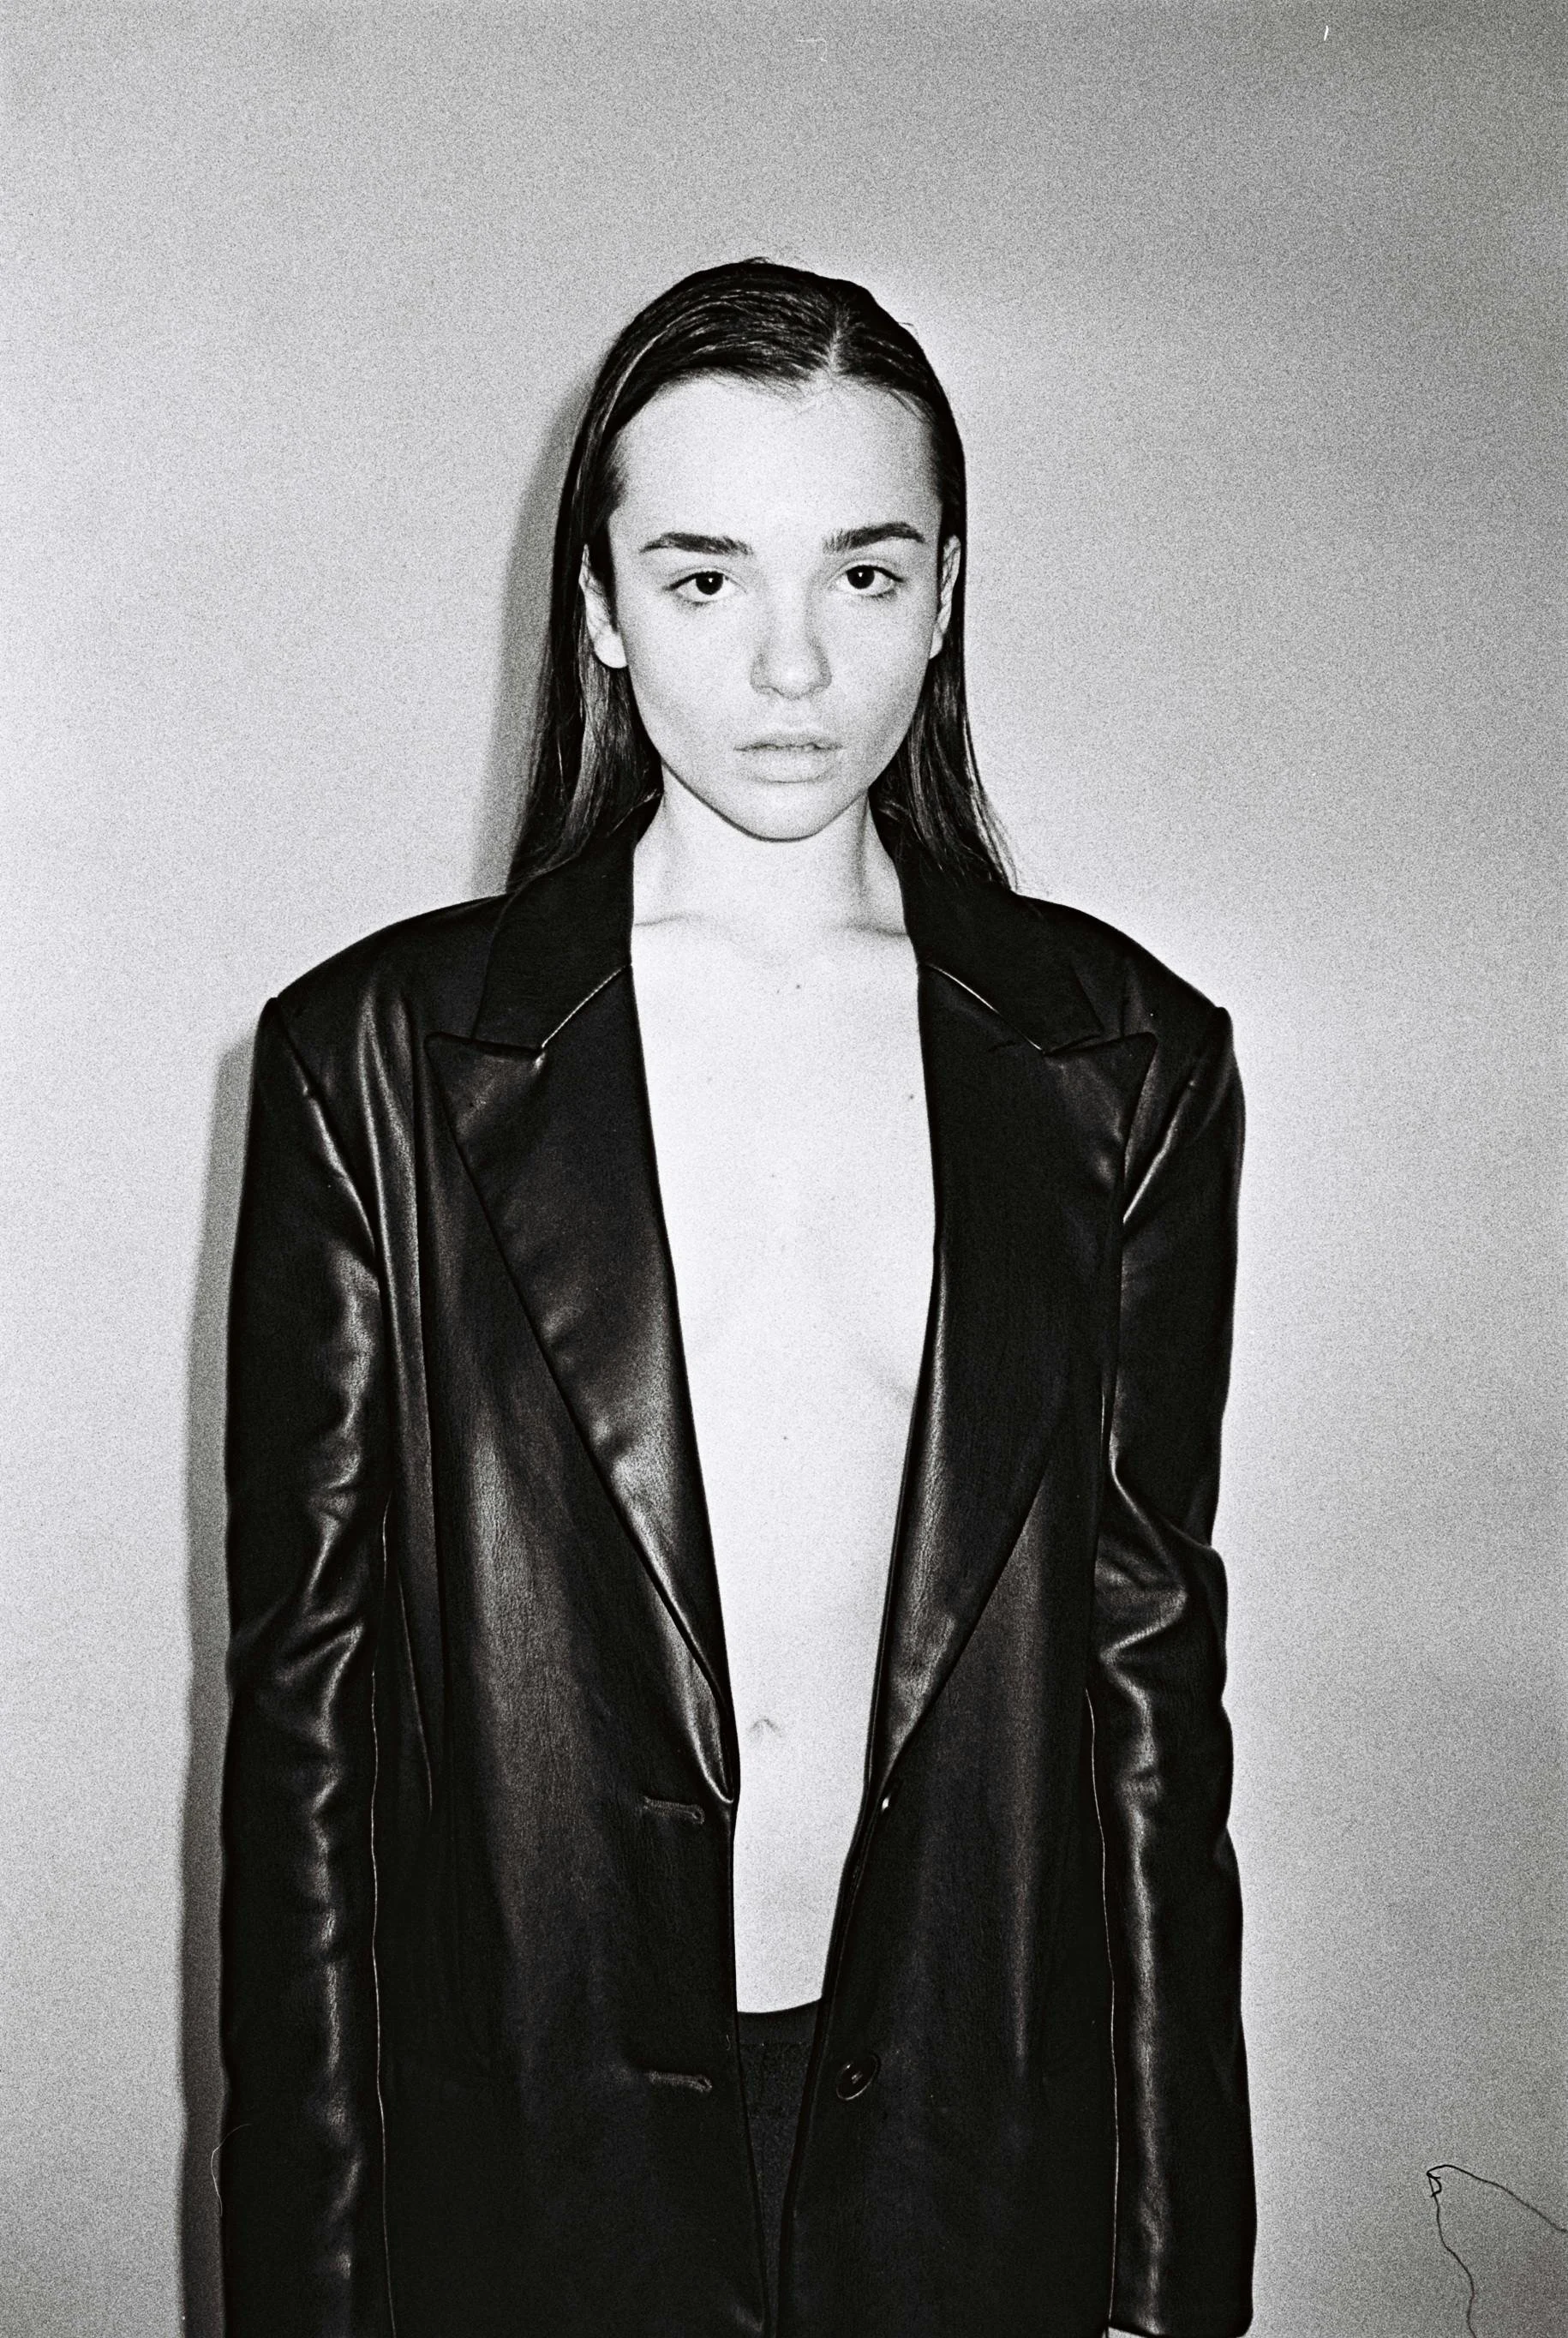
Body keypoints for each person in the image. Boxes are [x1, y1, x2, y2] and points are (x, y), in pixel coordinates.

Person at [219, 257, 1256, 2338]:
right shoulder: (383, 1064)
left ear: (947, 590)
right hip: (525, 2171)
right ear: (599, 605)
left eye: (863, 574)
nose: (794, 663)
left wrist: (1171, 2281)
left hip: (978, 2170)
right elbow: (303, 1748)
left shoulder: (1127, 1061)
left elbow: (1150, 1709)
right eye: (704, 581)